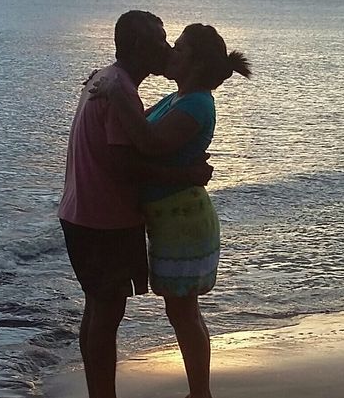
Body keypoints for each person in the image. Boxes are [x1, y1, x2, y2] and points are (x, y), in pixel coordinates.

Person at [58, 10, 214, 398]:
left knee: (101, 310)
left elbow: (140, 146)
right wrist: (187, 175)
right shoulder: (118, 87)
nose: (166, 48)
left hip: (91, 211)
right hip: (103, 216)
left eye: (173, 43)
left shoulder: (112, 82)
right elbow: (128, 161)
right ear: (139, 47)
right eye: (162, 41)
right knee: (105, 312)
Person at [96, 23, 251, 398]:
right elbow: (136, 129)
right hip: (171, 217)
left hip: (183, 219)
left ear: (196, 65)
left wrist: (117, 94)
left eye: (179, 49)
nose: (170, 53)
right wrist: (111, 90)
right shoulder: (178, 97)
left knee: (183, 312)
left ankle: (201, 393)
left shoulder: (196, 103)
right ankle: (200, 392)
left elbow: (148, 143)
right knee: (182, 311)